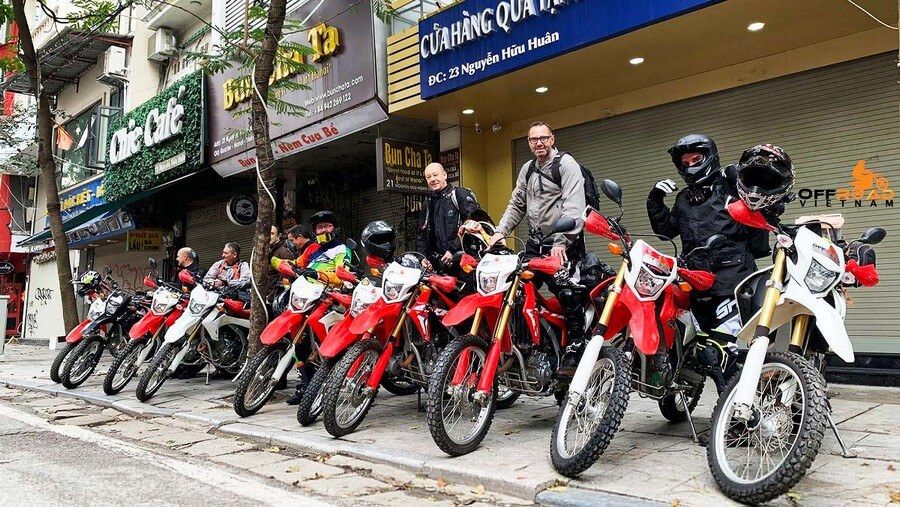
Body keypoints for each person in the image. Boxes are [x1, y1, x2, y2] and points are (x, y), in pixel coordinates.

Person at [646, 135, 781, 392]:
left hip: (734, 278)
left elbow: (763, 198)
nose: (691, 166)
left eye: (696, 159)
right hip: (697, 281)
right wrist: (654, 200)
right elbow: (666, 229)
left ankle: (740, 407)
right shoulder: (685, 198)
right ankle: (731, 402)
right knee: (705, 351)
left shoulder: (732, 182)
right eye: (685, 162)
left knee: (720, 347)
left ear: (710, 157)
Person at [489, 121, 588, 378]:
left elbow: (574, 207)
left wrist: (561, 243)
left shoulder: (566, 164)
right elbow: (517, 203)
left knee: (568, 293)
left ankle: (576, 349)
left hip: (564, 243)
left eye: (544, 138)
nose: (539, 143)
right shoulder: (528, 168)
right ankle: (529, 344)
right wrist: (500, 231)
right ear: (529, 143)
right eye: (534, 139)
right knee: (516, 290)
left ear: (552, 139)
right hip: (535, 243)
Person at [283, 211, 352, 405]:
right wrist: (281, 264)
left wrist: (320, 275)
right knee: (296, 335)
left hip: (333, 300)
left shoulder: (342, 249)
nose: (323, 230)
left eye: (327, 226)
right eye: (319, 228)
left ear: (335, 228)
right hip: (308, 299)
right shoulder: (313, 251)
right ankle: (306, 384)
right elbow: (296, 266)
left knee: (316, 324)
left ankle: (335, 366)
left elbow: (341, 276)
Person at [416, 162, 483, 270]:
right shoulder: (428, 204)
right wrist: (422, 257)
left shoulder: (460, 194)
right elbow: (422, 235)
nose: (432, 179)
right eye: (428, 177)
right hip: (438, 267)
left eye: (435, 175)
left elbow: (473, 224)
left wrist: (453, 250)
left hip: (464, 263)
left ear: (445, 175)